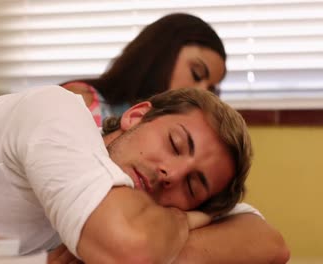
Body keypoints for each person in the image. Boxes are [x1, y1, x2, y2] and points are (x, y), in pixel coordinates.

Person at [0, 86, 254, 263]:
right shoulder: (59, 112)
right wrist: (184, 217)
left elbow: (268, 242)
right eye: (175, 143)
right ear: (136, 115)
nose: (170, 173)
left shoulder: (105, 203)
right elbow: (130, 250)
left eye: (192, 186)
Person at [60, 13, 290, 263]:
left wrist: (176, 229)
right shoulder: (77, 104)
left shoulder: (184, 166)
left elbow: (269, 242)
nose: (200, 89)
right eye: (196, 73)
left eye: (211, 88)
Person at [62, 13, 227, 126]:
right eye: (196, 74)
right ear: (161, 53)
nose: (202, 92)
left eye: (211, 89)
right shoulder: (82, 102)